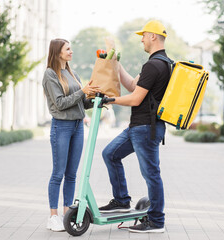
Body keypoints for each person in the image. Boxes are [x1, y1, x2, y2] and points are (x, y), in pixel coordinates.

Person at [98, 20, 170, 233]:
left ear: (153, 37)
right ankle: (121, 201)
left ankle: (156, 221)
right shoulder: (161, 63)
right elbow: (132, 85)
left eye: (144, 35)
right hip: (138, 127)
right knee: (110, 154)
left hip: (146, 128)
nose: (142, 39)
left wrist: (109, 100)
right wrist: (115, 60)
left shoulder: (154, 65)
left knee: (151, 174)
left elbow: (135, 98)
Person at [42, 38, 99, 232]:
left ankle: (67, 214)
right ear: (58, 52)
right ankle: (53, 216)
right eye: (67, 49)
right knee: (58, 173)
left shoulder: (72, 74)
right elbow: (60, 103)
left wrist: (96, 99)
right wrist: (82, 91)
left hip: (77, 126)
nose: (71, 51)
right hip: (62, 127)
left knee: (72, 174)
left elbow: (80, 103)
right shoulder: (50, 74)